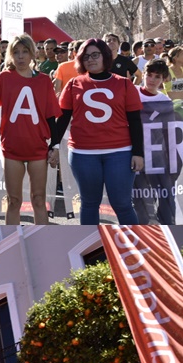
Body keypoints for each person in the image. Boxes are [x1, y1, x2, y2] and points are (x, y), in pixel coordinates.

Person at [0, 33, 62, 225]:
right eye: (16, 52)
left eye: (25, 52)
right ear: (11, 55)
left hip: (38, 149)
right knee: (13, 201)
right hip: (12, 149)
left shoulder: (42, 81)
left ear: (33, 54)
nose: (21, 56)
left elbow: (50, 116)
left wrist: (55, 146)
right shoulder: (4, 78)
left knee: (39, 200)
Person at [50, 38, 142, 224]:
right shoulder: (74, 84)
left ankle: (136, 247)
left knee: (122, 204)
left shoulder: (124, 84)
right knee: (89, 204)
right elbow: (63, 119)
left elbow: (135, 120)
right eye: (85, 57)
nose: (90, 60)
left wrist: (138, 153)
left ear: (105, 56)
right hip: (83, 153)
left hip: (120, 152)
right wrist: (53, 145)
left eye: (95, 55)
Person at [133, 58, 178, 225]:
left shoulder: (165, 101)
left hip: (157, 156)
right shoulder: (132, 93)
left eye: (157, 77)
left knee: (164, 196)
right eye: (149, 75)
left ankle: (167, 235)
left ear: (163, 79)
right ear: (143, 74)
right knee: (138, 198)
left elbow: (169, 133)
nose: (152, 80)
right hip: (135, 154)